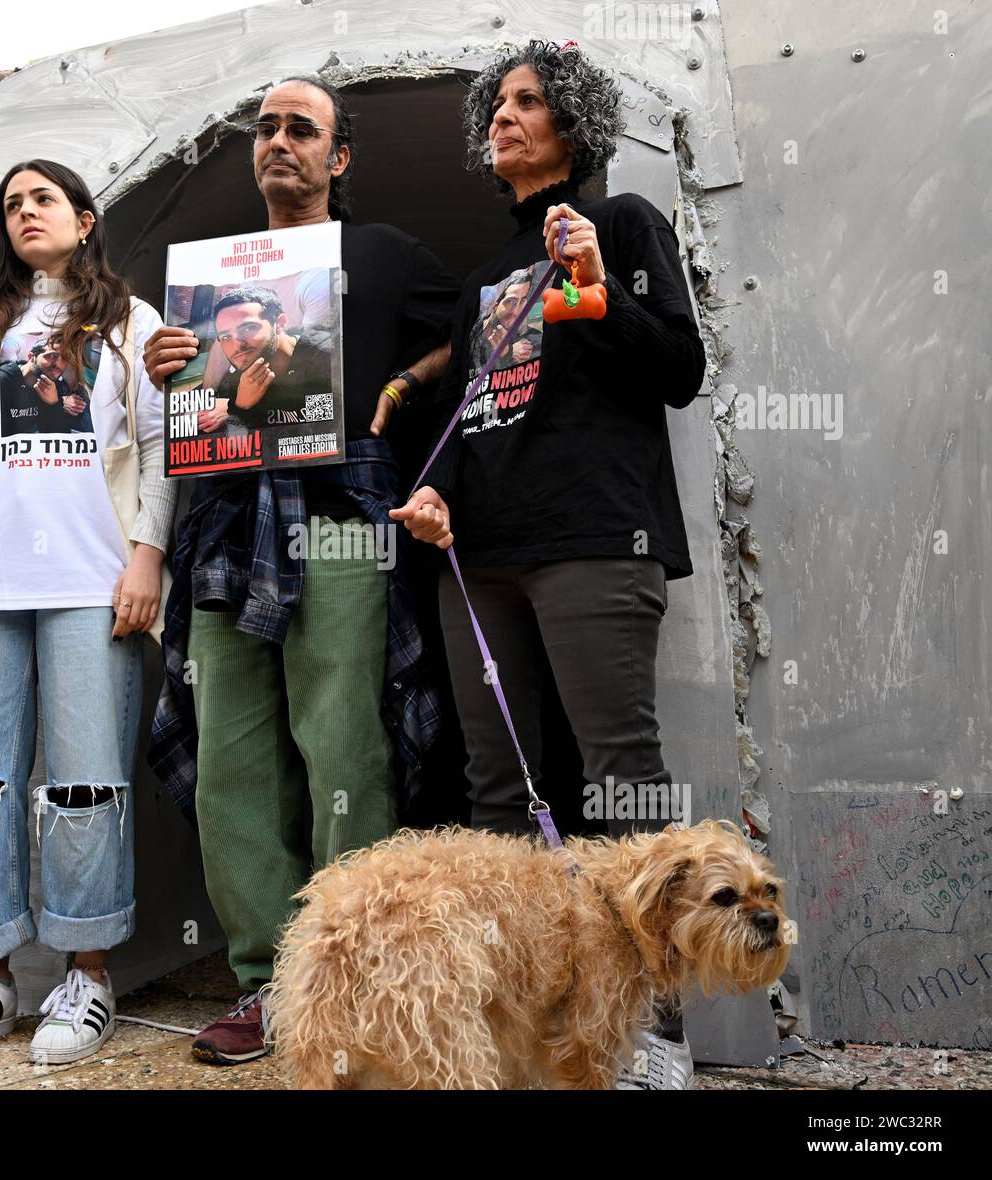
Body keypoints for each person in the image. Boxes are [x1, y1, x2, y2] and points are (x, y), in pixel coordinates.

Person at [391, 40, 706, 1089]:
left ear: (572, 124)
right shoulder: (483, 271)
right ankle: (527, 1016)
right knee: (498, 793)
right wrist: (438, 494)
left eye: (530, 102)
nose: (506, 118)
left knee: (620, 784)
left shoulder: (619, 224)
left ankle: (651, 1027)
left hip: (592, 539)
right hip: (478, 558)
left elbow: (679, 369)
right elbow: (472, 417)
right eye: (499, 105)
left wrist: (595, 287)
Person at [144, 75, 461, 1065]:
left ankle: (352, 982)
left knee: (340, 749)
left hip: (337, 517)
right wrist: (169, 363)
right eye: (265, 128)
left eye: (301, 128)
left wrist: (403, 385)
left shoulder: (381, 254)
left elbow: (483, 326)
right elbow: (199, 401)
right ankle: (264, 984)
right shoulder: (207, 282)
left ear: (340, 156)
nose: (277, 141)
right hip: (226, 519)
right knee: (231, 763)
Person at [0, 159, 176, 1065]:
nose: (25, 212)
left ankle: (86, 975)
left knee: (86, 783)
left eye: (43, 198)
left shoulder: (132, 322)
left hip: (93, 580)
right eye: (10, 203)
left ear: (86, 221)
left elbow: (167, 447)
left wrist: (147, 558)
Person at [210, 286, 334, 427]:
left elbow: (323, 428)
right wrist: (240, 405)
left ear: (280, 324)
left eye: (248, 328)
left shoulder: (325, 357)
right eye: (226, 337)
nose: (237, 345)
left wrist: (238, 408)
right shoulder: (237, 376)